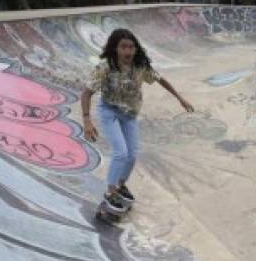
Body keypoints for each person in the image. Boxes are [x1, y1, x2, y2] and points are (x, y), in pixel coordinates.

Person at [80, 28, 193, 215]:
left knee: (132, 154)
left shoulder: (141, 66)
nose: (128, 52)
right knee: (121, 153)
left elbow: (160, 80)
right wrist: (87, 121)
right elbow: (86, 93)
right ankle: (110, 192)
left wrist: (179, 98)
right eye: (123, 47)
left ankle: (121, 185)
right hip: (110, 112)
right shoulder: (105, 67)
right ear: (115, 49)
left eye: (131, 48)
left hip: (130, 115)